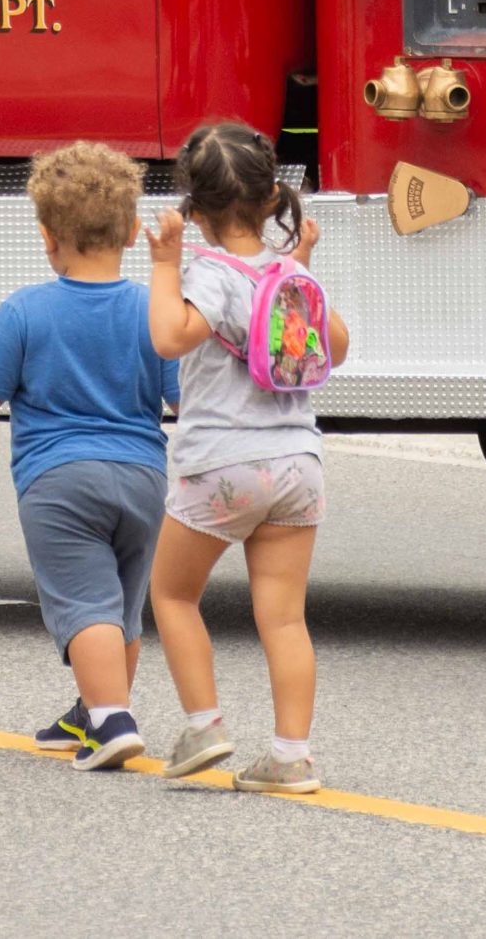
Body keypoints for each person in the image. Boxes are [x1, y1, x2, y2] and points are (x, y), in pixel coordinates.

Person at [0, 142, 177, 773]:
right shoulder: (155, 309)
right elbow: (185, 397)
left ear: (47, 237)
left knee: (83, 604)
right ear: (129, 230)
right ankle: (89, 707)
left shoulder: (26, 310)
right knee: (121, 605)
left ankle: (113, 720)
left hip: (59, 481)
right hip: (145, 478)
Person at [147, 120, 351, 795]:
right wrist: (300, 273)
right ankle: (292, 754)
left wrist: (163, 264)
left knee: (173, 592)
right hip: (298, 464)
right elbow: (336, 346)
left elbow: (172, 337)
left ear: (195, 212)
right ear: (271, 201)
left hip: (223, 464)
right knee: (285, 615)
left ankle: (204, 725)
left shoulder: (210, 273)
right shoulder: (289, 272)